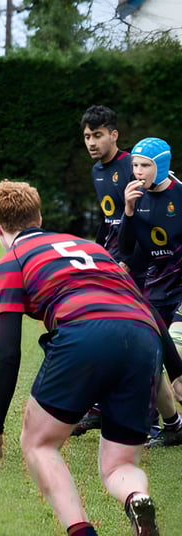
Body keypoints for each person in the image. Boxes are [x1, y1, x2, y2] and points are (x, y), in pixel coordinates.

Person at [0, 179, 161, 536]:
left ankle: (81, 532)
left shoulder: (11, 261)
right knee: (119, 464)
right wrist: (177, 369)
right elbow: (145, 307)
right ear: (40, 216)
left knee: (39, 443)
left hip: (84, 334)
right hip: (144, 337)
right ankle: (136, 497)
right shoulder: (90, 247)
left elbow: (6, 353)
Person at [78, 107, 182, 441]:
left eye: (98, 135)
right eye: (87, 136)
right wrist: (102, 251)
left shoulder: (166, 189)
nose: (137, 171)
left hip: (150, 276)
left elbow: (148, 237)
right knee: (139, 345)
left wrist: (127, 263)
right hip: (142, 275)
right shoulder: (112, 181)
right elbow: (124, 232)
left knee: (157, 347)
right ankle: (162, 423)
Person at [119, 137, 182, 448]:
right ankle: (173, 426)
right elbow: (128, 247)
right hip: (155, 289)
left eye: (146, 166)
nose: (139, 172)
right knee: (147, 359)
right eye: (135, 166)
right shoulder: (134, 196)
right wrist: (128, 209)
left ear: (162, 166)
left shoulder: (180, 195)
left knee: (178, 355)